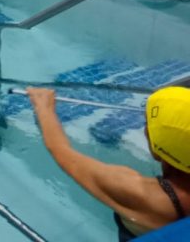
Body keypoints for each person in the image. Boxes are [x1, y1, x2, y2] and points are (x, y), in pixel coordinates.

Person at [28, 86, 190, 239]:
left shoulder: (139, 192)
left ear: (155, 146)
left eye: (147, 124)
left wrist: (44, 107)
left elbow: (60, 150)